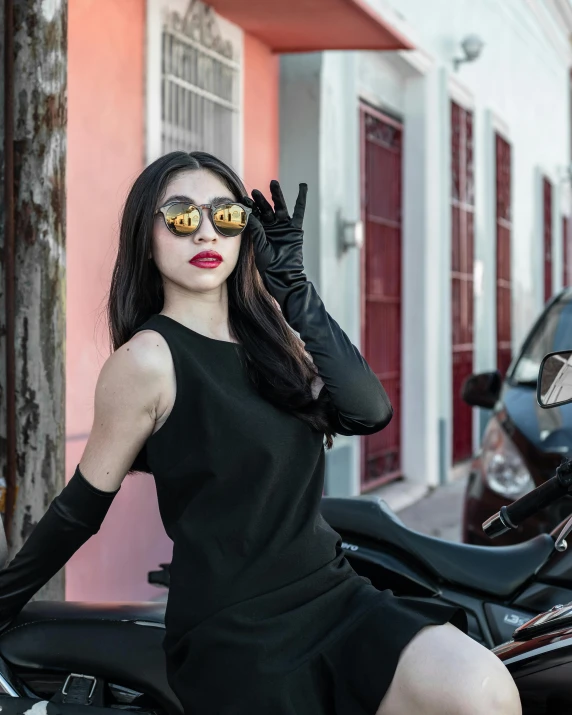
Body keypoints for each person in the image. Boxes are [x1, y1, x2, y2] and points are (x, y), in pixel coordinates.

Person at [0, 151, 521, 714]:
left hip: (334, 594)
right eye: (180, 216)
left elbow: (368, 411)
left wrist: (293, 288)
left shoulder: (272, 344)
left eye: (225, 215)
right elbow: (80, 509)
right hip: (239, 628)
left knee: (483, 688)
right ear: (146, 236)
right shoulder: (147, 361)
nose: (205, 230)